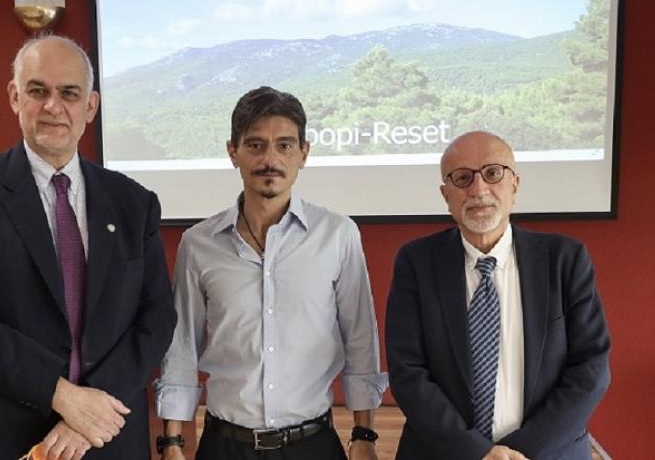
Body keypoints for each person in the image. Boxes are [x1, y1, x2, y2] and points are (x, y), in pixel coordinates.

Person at [0, 35, 177, 460]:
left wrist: (91, 411)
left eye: (69, 93)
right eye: (37, 91)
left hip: (105, 437)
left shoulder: (134, 203)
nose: (53, 106)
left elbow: (156, 318)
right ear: (15, 97)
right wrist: (62, 396)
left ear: (91, 106)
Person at [155, 86, 387, 460]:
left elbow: (360, 339)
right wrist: (172, 442)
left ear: (304, 153)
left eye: (284, 145)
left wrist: (364, 435)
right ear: (232, 152)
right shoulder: (198, 244)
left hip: (313, 446)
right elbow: (181, 346)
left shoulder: (338, 235)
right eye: (255, 145)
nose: (270, 159)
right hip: (225, 447)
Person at [385, 131, 611, 460]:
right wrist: (477, 453)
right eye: (462, 178)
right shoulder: (416, 262)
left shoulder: (565, 259)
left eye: (492, 173)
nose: (479, 190)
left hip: (546, 453)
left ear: (515, 184)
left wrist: (517, 453)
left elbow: (591, 369)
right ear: (446, 195)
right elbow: (408, 371)